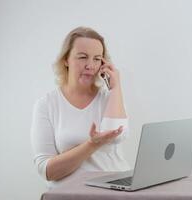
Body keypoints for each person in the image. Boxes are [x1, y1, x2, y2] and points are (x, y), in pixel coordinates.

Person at [30, 26, 130, 188]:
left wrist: (116, 87)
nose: (90, 65)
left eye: (97, 59)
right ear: (66, 60)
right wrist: (93, 144)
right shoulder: (46, 105)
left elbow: (115, 135)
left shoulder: (110, 97)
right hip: (70, 193)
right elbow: (46, 170)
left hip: (116, 190)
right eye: (83, 57)